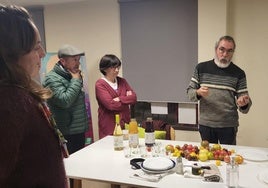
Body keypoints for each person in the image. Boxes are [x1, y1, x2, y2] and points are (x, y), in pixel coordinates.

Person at [0, 4, 68, 187]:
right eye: (36, 47)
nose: (43, 53)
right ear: (11, 54)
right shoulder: (9, 103)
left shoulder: (21, 96)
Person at [187, 35, 252, 145]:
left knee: (227, 158)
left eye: (229, 51)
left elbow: (245, 105)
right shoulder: (201, 68)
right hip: (206, 124)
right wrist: (198, 92)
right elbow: (190, 93)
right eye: (222, 49)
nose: (225, 54)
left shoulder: (239, 73)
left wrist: (244, 103)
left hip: (228, 126)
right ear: (216, 49)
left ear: (233, 52)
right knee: (207, 158)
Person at [43, 44, 89, 155]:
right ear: (63, 61)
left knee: (80, 162)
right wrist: (76, 81)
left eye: (78, 60)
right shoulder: (51, 78)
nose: (78, 63)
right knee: (69, 166)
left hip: (78, 129)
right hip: (66, 132)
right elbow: (64, 101)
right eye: (74, 60)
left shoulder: (72, 75)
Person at [95, 54, 137, 139]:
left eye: (118, 67)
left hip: (124, 123)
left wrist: (119, 99)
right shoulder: (100, 84)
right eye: (114, 67)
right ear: (105, 68)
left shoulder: (122, 81)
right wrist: (126, 99)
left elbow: (134, 98)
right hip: (109, 125)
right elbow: (111, 105)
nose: (117, 70)